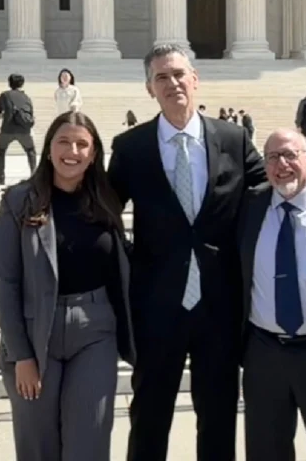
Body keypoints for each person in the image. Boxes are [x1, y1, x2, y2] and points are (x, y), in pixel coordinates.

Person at [107, 44, 267, 461]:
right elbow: (102, 211)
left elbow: (277, 190)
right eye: (162, 77)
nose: (172, 83)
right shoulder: (131, 147)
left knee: (217, 415)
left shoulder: (233, 138)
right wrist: (135, 258)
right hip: (157, 305)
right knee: (150, 415)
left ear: (195, 79)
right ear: (149, 89)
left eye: (179, 74)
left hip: (219, 304)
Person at [0, 111, 136, 461]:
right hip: (35, 332)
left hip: (96, 330)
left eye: (82, 144)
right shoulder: (18, 201)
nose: (72, 151)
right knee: (38, 445)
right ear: (48, 147)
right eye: (64, 141)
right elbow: (5, 283)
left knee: (90, 441)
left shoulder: (105, 201)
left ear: (94, 153)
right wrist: (21, 355)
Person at [237, 128, 306, 461]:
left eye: (290, 155)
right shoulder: (248, 206)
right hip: (264, 353)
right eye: (272, 157)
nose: (281, 164)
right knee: (266, 451)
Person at [0, 73, 37, 186]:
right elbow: (30, 115)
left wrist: (6, 114)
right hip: (24, 130)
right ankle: (33, 175)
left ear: (9, 83)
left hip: (7, 129)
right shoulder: (26, 97)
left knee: (0, 151)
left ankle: (1, 178)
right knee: (30, 151)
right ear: (22, 84)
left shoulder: (4, 95)